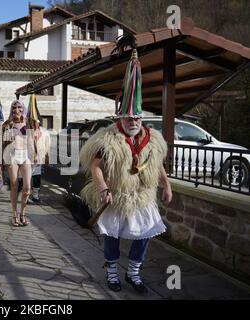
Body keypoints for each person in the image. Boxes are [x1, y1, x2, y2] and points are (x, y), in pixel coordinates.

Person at [79, 48, 172, 294]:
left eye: (137, 118)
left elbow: (157, 165)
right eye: (129, 118)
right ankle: (111, 272)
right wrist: (103, 188)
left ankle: (133, 273)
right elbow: (95, 166)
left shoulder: (153, 139)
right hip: (116, 194)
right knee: (113, 235)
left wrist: (167, 186)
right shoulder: (108, 138)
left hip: (142, 195)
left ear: (142, 118)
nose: (133, 122)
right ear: (121, 117)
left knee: (145, 234)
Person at [2, 99, 32, 227]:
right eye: (14, 107)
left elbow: (33, 141)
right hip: (12, 156)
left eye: (19, 107)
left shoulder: (29, 123)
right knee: (14, 184)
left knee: (27, 188)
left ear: (23, 109)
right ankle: (14, 215)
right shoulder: (7, 124)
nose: (17, 110)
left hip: (25, 156)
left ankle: (22, 213)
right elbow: (2, 143)